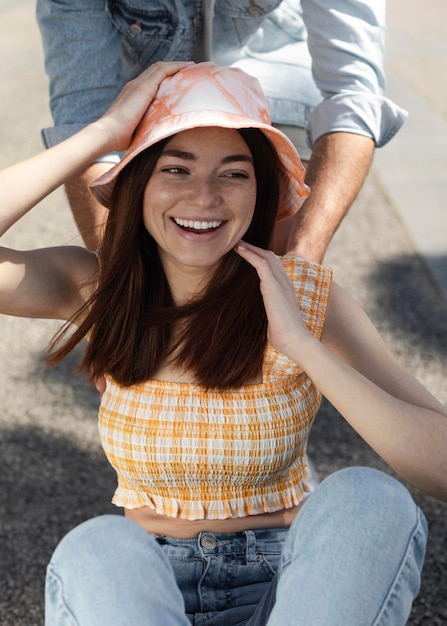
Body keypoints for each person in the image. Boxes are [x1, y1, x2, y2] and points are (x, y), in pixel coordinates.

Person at [1, 61, 445, 625]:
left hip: (292, 595)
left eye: (233, 174)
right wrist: (104, 132)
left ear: (260, 192)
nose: (204, 197)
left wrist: (303, 345)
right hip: (150, 593)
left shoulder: (300, 295)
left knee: (371, 499)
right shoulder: (100, 288)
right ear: (137, 184)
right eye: (176, 169)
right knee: (94, 548)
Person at [36, 0, 406, 261]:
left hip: (273, 68)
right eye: (179, 172)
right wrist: (114, 275)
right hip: (152, 88)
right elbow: (82, 111)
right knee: (144, 247)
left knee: (272, 226)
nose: (203, 198)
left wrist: (302, 263)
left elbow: (351, 96)